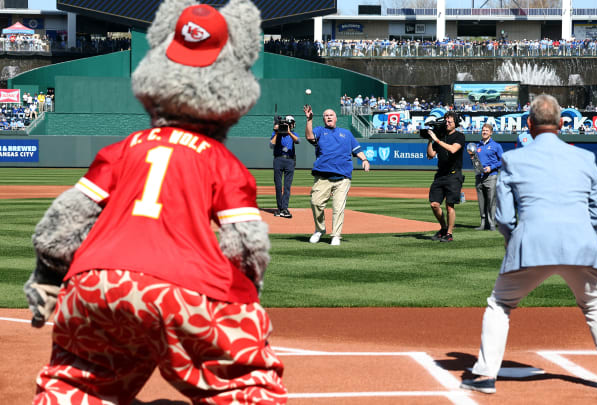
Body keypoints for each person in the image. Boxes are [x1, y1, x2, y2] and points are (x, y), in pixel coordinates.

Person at [22, 1, 287, 403]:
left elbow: (64, 223)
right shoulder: (223, 162)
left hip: (94, 282)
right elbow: (246, 247)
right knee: (247, 385)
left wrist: (46, 280)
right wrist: (245, 301)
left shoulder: (122, 149)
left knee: (78, 381)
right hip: (184, 287)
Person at [460, 94, 597, 394]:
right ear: (562, 123)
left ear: (529, 124)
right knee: (594, 304)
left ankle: (486, 375)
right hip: (581, 244)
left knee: (499, 304)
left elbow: (503, 216)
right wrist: (581, 235)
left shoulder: (513, 159)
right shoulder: (585, 158)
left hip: (531, 243)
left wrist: (513, 241)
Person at [303, 105, 370, 246]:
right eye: (326, 115)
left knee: (338, 208)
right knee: (315, 203)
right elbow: (309, 136)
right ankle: (319, 230)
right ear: (323, 119)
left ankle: (336, 235)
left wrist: (364, 160)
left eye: (331, 115)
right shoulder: (320, 131)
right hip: (323, 176)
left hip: (342, 177)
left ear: (336, 118)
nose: (328, 117)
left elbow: (357, 149)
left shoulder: (346, 133)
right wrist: (309, 120)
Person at [426, 111, 466, 242]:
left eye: (450, 121)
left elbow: (453, 149)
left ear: (456, 123)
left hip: (453, 174)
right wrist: (430, 140)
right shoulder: (441, 136)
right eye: (446, 121)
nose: (447, 123)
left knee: (450, 206)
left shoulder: (459, 136)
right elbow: (431, 155)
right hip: (441, 174)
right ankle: (443, 228)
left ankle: (449, 234)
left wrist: (436, 139)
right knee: (434, 204)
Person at [470, 123, 503, 230]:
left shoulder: (496, 146)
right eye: (483, 130)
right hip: (479, 176)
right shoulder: (477, 146)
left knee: (491, 201)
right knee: (481, 201)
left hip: (491, 176)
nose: (484, 132)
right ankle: (483, 223)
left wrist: (491, 167)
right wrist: (473, 159)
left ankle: (491, 223)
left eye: (486, 130)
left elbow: (502, 161)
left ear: (491, 132)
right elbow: (475, 162)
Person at [270, 115, 299, 218]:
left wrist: (289, 132)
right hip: (278, 159)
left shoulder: (293, 134)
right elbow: (271, 145)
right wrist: (278, 132)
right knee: (278, 186)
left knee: (287, 186)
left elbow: (297, 141)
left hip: (289, 160)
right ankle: (280, 208)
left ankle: (284, 208)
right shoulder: (276, 134)